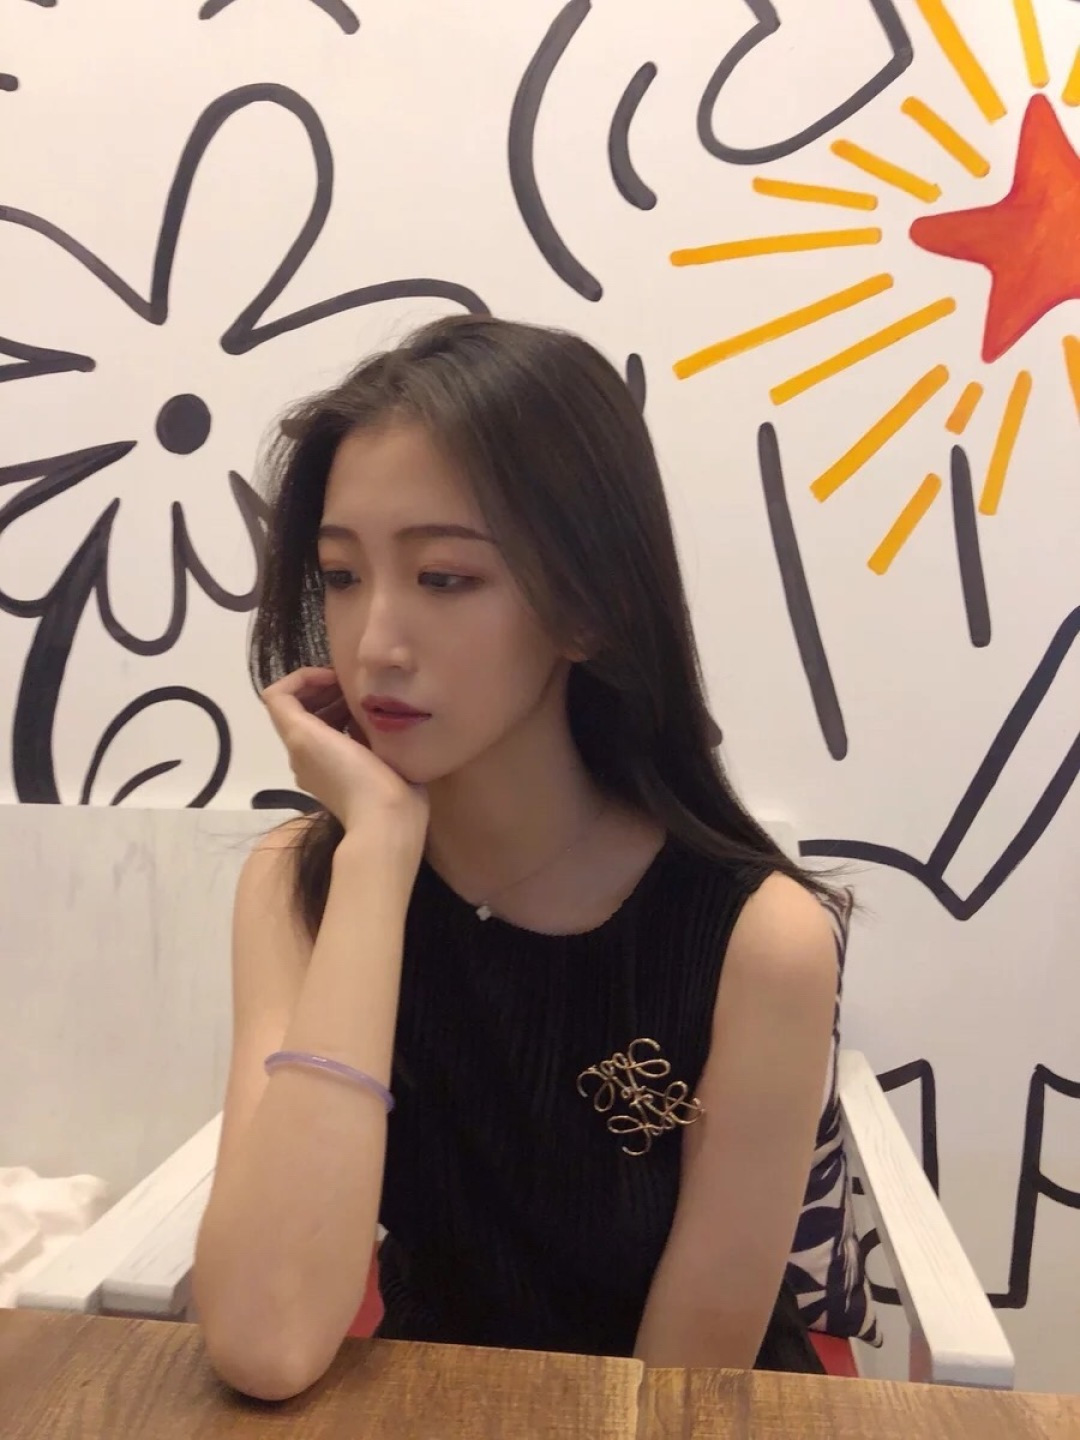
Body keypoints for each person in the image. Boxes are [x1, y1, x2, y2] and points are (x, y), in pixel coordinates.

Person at [192, 315, 841, 1401]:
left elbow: (683, 1386)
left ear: (588, 605)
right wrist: (379, 850)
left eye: (445, 578)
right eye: (341, 576)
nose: (374, 643)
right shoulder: (302, 885)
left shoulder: (758, 940)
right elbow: (267, 1339)